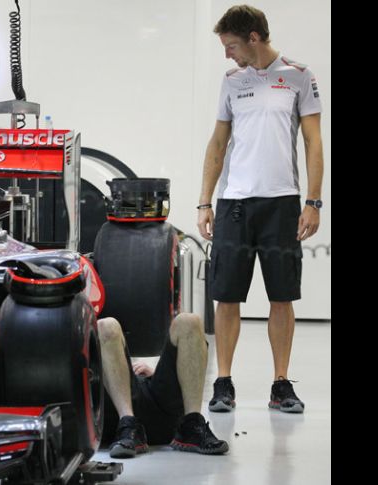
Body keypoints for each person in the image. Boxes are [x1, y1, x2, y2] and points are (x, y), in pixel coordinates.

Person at [196, 5, 324, 414]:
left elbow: (313, 143)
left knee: (282, 297)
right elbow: (217, 145)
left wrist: (313, 201)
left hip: (282, 202)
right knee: (227, 296)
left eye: (231, 45)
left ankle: (281, 384)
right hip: (234, 202)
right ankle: (223, 383)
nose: (227, 54)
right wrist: (204, 200)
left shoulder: (299, 76)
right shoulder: (232, 81)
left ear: (254, 37)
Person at [99, 315, 228, 457]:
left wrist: (156, 373)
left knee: (189, 321)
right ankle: (128, 425)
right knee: (106, 326)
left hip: (159, 405)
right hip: (116, 411)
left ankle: (192, 425)